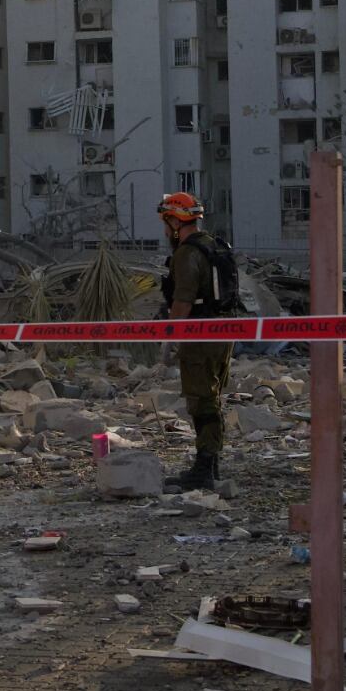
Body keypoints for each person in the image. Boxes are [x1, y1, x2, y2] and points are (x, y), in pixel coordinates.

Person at [156, 191, 237, 490]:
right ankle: (211, 464)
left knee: (201, 400)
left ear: (177, 221)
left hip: (200, 335)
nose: (166, 230)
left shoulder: (188, 253)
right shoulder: (216, 246)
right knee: (212, 397)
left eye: (167, 222)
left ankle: (204, 468)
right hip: (224, 332)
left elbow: (183, 301)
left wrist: (170, 338)